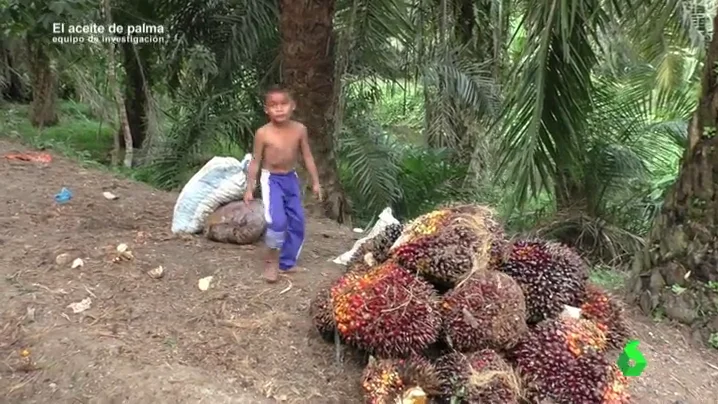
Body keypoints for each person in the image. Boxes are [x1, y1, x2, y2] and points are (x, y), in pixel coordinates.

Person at [244, 86, 322, 283]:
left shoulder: (299, 130)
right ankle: (271, 261)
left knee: (297, 222)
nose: (279, 109)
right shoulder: (263, 133)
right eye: (273, 105)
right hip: (271, 180)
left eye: (283, 104)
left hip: (291, 179)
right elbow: (255, 160)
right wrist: (249, 188)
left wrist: (316, 182)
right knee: (277, 221)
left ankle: (286, 263)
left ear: (292, 106)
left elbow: (307, 156)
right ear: (266, 110)